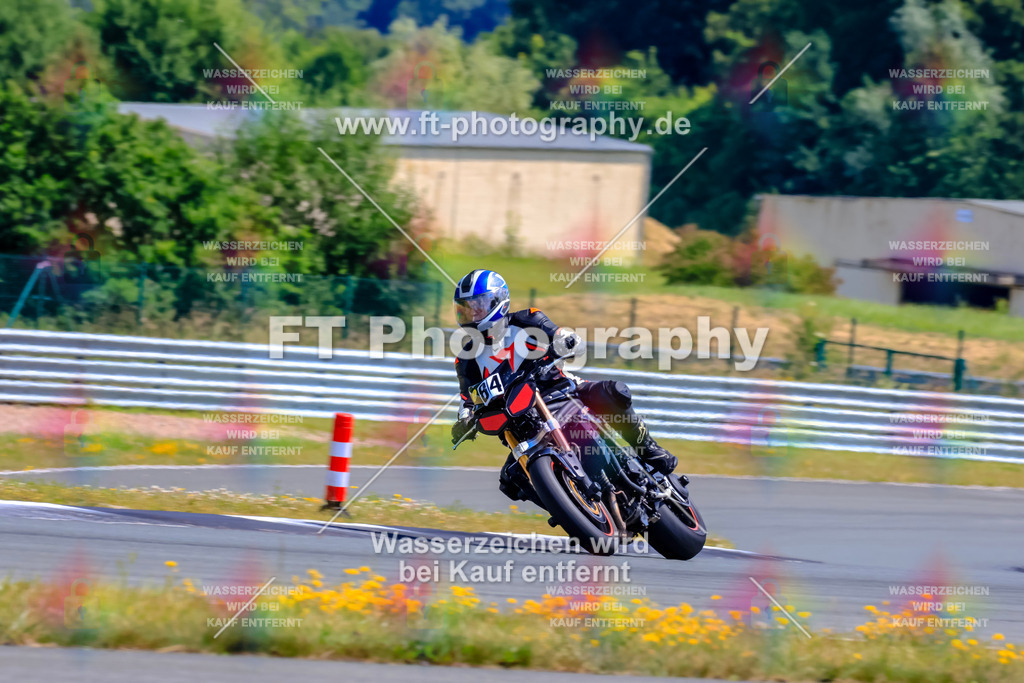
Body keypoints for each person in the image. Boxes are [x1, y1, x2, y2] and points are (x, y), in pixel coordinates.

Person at [449, 269, 678, 503]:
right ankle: (570, 509)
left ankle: (648, 448)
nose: (472, 313)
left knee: (614, 392)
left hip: (561, 391)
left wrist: (565, 341)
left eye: (478, 305)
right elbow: (467, 397)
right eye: (465, 307)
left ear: (499, 301)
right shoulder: (466, 358)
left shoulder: (528, 319)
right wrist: (464, 419)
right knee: (511, 480)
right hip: (521, 421)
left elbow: (560, 335)